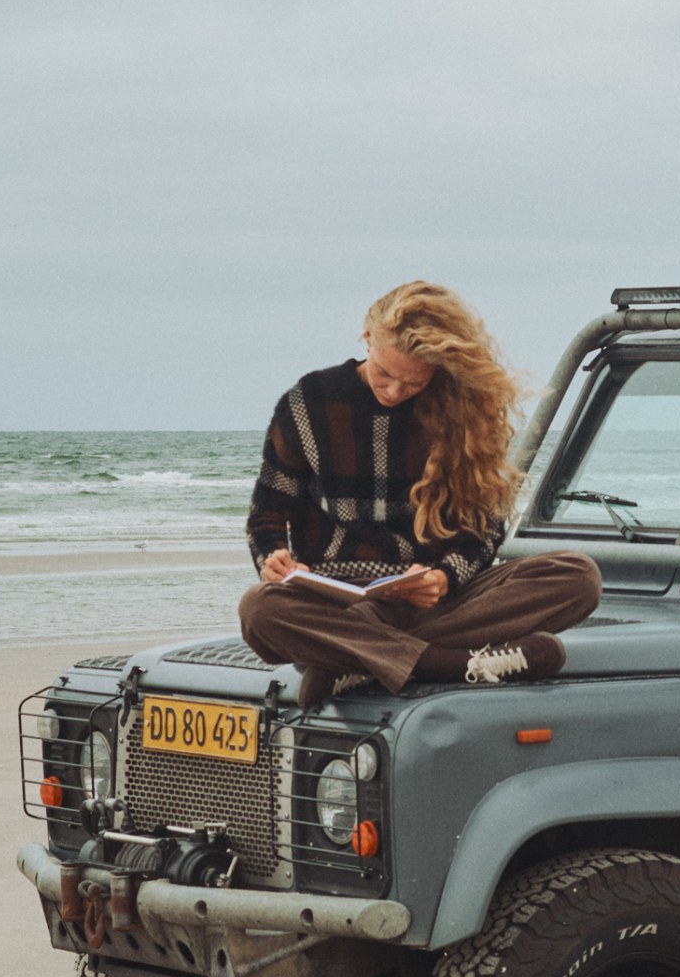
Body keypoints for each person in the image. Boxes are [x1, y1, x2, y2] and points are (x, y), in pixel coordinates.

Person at [237, 281, 601, 706]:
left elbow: (483, 529)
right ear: (367, 338)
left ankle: (352, 662)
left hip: (435, 604)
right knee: (259, 610)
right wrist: (273, 559)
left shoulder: (461, 411)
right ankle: (453, 664)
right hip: (336, 606)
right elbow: (266, 515)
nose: (394, 392)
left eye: (413, 383)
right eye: (385, 374)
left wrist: (442, 577)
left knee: (577, 576)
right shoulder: (308, 402)